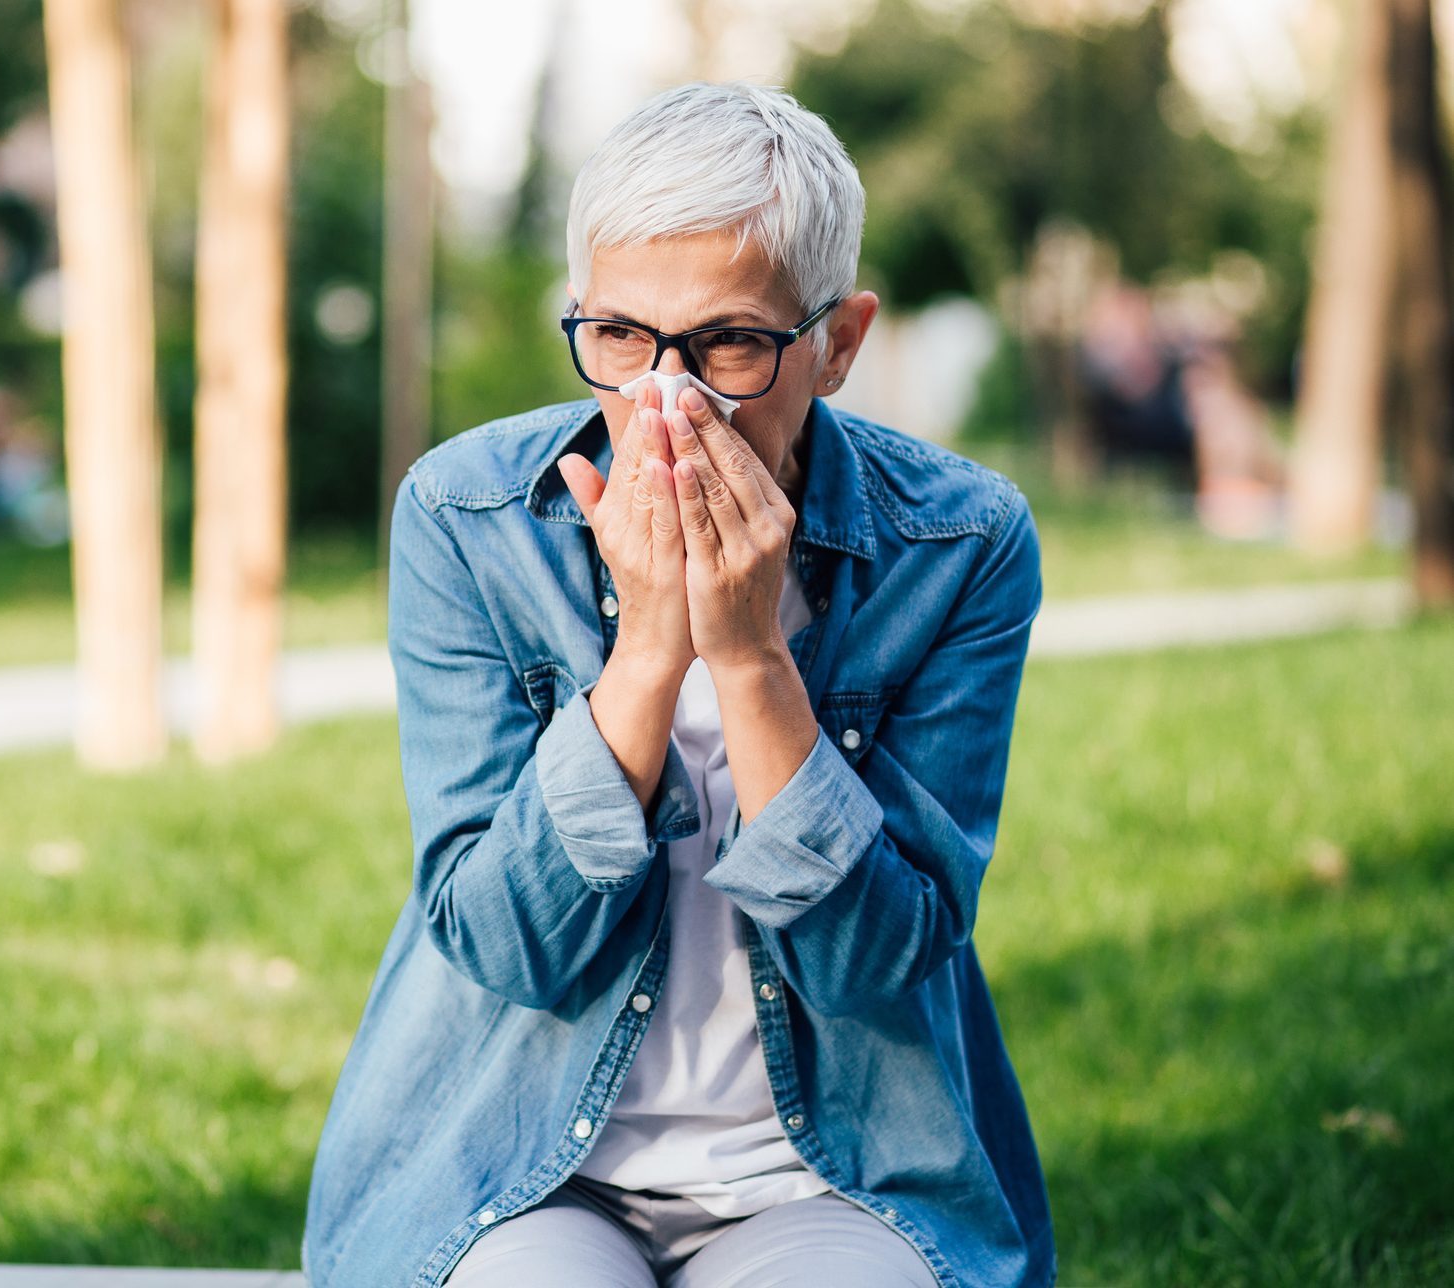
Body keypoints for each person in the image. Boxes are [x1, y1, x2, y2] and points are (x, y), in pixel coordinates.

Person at [303, 82, 1054, 1288]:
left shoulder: (958, 543)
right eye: (617, 336)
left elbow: (874, 961)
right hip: (519, 1165)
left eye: (728, 344)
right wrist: (649, 650)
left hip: (835, 1177)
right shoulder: (469, 517)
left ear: (838, 343)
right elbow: (505, 947)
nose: (664, 398)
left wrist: (752, 655)